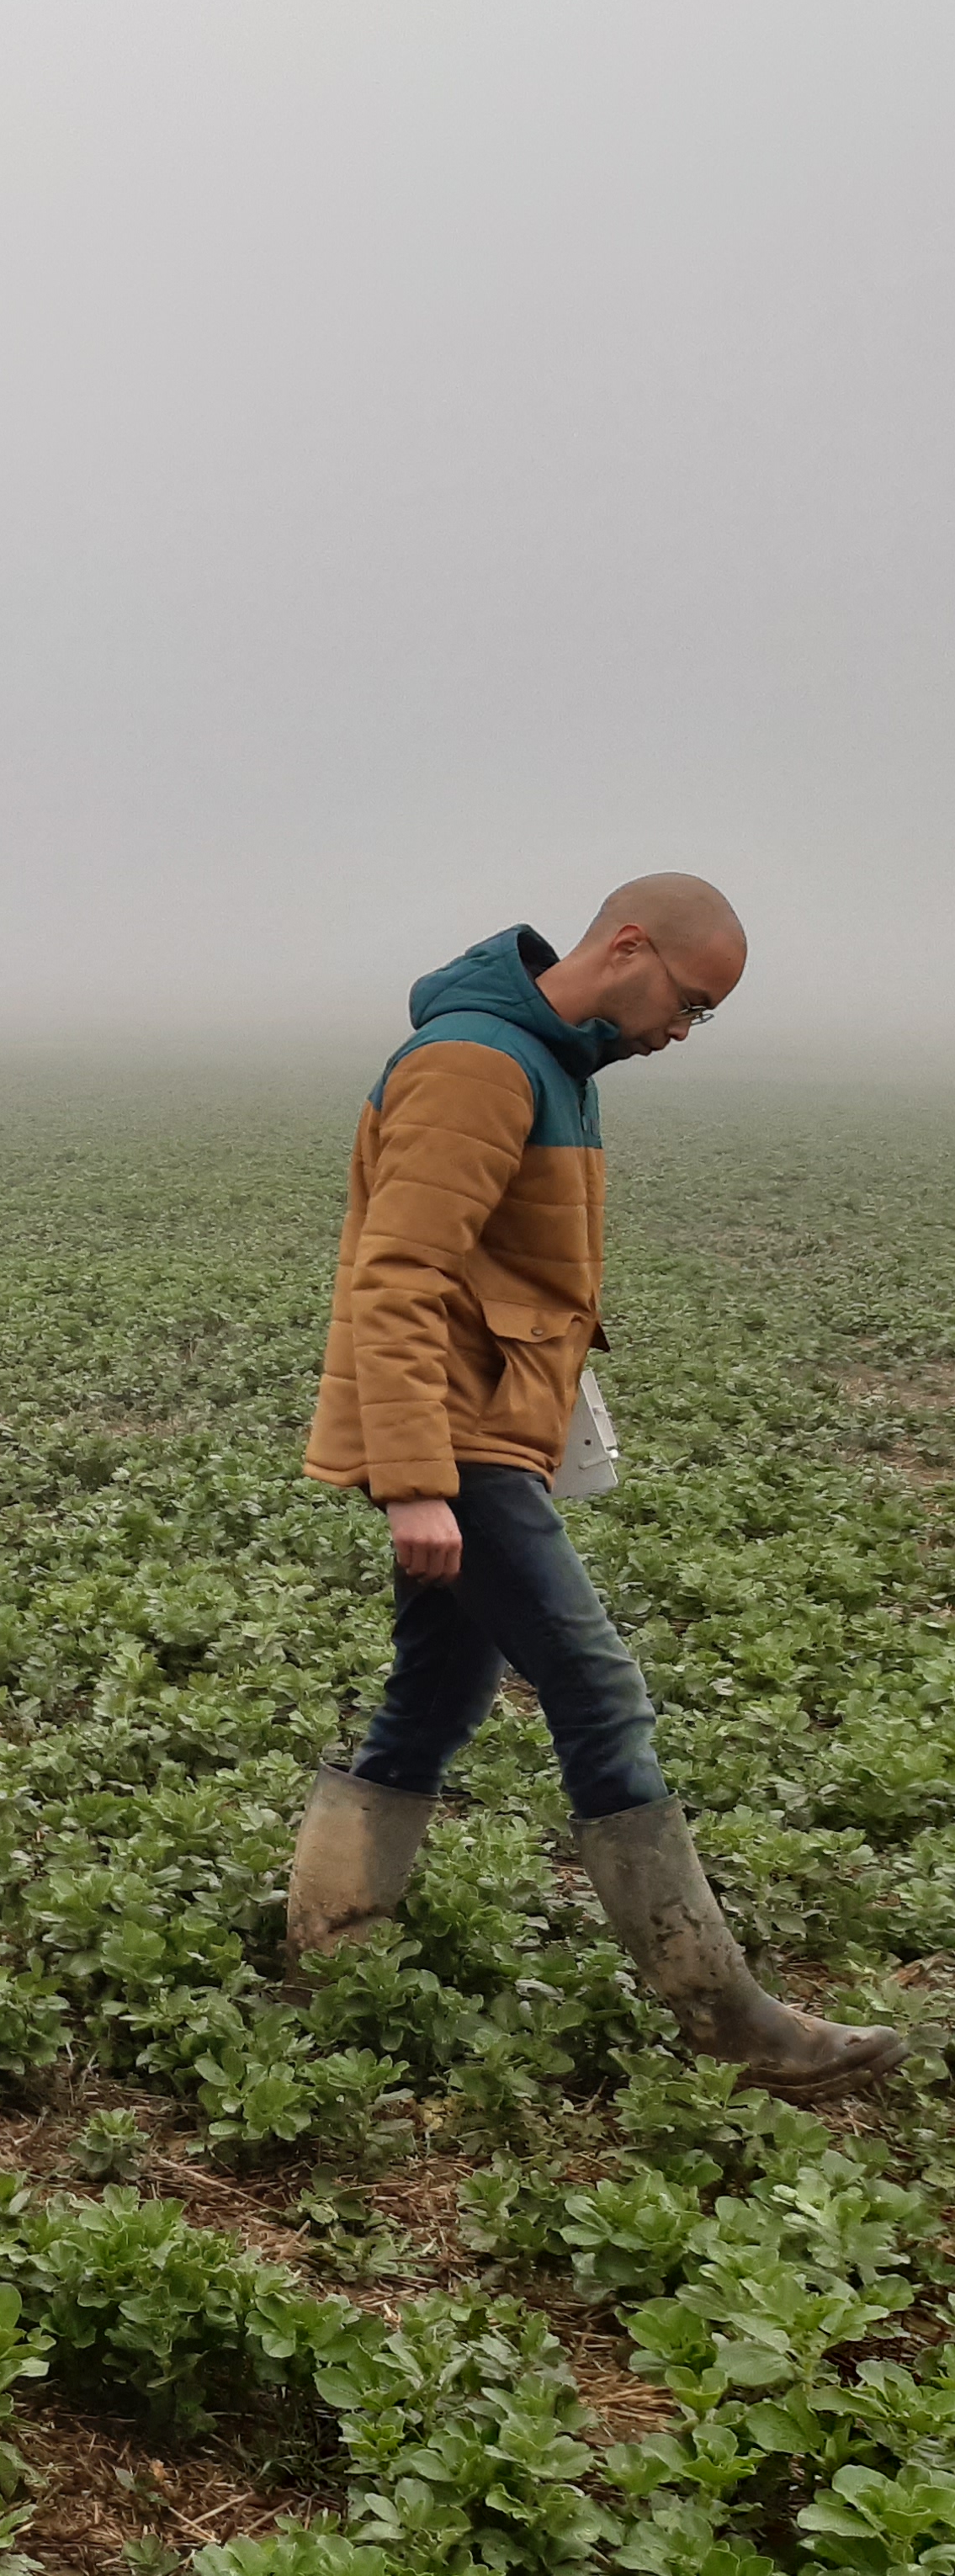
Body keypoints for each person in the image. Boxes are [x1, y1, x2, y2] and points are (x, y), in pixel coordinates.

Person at [285, 880, 896, 2095]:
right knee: (596, 1684)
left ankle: (332, 1942)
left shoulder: (553, 1066)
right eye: (689, 1001)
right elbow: (399, 1279)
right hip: (456, 1440)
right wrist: (415, 1481)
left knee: (439, 1684)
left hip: (489, 1428)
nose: (682, 1031)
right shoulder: (479, 1064)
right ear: (628, 947)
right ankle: (719, 2009)